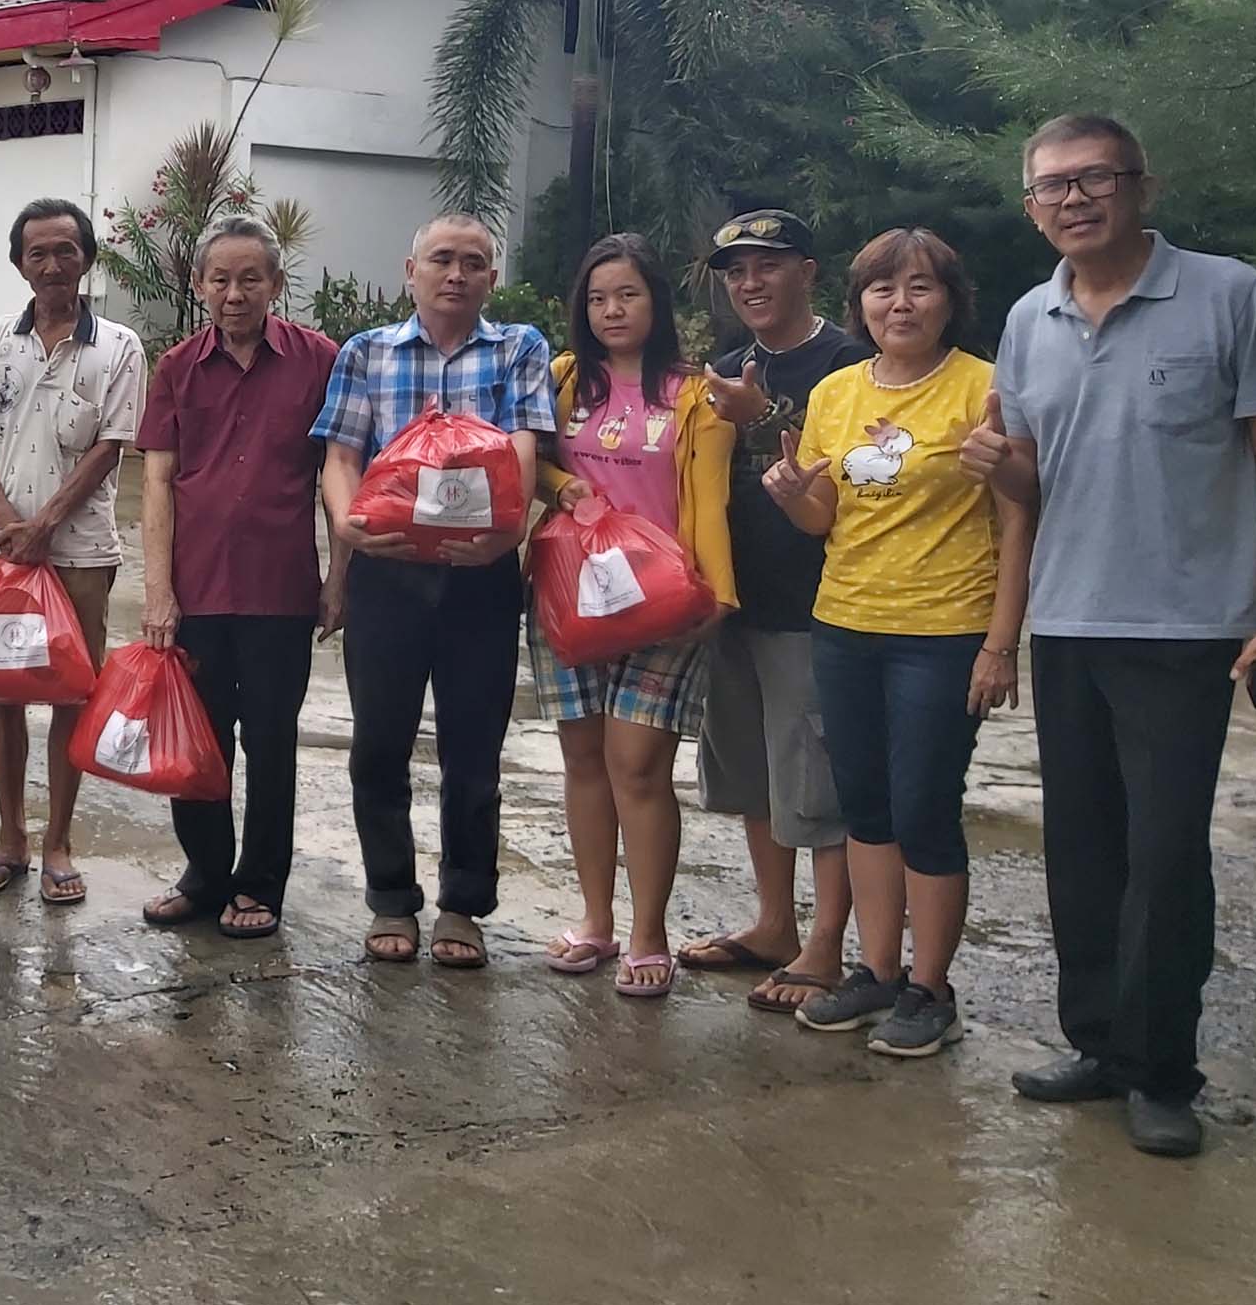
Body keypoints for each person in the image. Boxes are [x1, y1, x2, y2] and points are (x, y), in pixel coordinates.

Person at [973, 115, 1256, 1157]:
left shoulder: (1228, 294)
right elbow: (1035, 489)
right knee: (1081, 852)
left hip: (1183, 629)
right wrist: (1000, 471)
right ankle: (1101, 1046)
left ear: (1139, 186)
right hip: (1067, 622)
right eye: (1049, 188)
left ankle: (1164, 1070)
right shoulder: (1029, 319)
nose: (1072, 201)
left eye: (1093, 180)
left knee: (1164, 857)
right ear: (1031, 207)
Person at [764, 227, 1031, 1058]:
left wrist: (1000, 643)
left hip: (944, 630)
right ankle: (876, 972)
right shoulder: (837, 392)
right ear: (861, 303)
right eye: (883, 288)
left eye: (920, 287)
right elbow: (826, 517)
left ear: (951, 299)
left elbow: (1021, 514)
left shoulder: (984, 388)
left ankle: (930, 985)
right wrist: (789, 494)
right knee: (866, 807)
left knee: (923, 806)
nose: (901, 303)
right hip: (843, 621)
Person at [313, 213, 554, 969]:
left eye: (474, 262)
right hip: (389, 571)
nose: (457, 273)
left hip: (480, 573)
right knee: (379, 742)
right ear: (410, 268)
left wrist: (502, 532)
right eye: (442, 259)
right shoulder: (365, 352)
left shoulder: (519, 348)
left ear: (492, 277)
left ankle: (462, 904)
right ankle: (391, 897)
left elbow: (523, 444)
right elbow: (341, 454)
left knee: (474, 750)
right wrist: (349, 531)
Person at [532, 235, 738, 999]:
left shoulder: (694, 393)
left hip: (664, 605)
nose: (612, 310)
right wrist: (561, 489)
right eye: (597, 298)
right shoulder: (561, 379)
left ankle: (650, 933)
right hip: (570, 598)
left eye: (628, 295)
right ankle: (596, 920)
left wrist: (716, 598)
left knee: (639, 766)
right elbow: (533, 459)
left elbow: (710, 499)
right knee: (583, 761)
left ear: (657, 302)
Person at [135, 216, 339, 941]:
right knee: (197, 739)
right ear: (198, 285)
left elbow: (339, 475)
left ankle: (259, 883)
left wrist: (339, 573)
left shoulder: (320, 360)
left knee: (272, 740)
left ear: (276, 285)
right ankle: (204, 872)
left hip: (282, 591)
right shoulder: (177, 368)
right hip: (196, 592)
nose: (234, 292)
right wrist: (158, 591)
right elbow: (157, 483)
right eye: (219, 278)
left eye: (250, 277)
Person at [681, 210, 864, 1013]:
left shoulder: (849, 363)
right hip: (733, 602)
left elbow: (851, 471)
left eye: (767, 265)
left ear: (809, 272)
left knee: (814, 778)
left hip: (815, 605)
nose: (749, 283)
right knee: (752, 772)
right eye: (735, 271)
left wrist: (759, 416)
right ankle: (773, 923)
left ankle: (826, 944)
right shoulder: (726, 364)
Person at [0, 197, 147, 905]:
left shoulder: (119, 345)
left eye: (67, 250)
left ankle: (60, 839)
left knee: (70, 688)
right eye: (39, 253)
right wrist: (5, 517)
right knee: (3, 688)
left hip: (82, 550)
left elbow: (110, 445)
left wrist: (46, 523)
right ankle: (10, 838)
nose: (54, 264)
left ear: (86, 257)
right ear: (18, 263)